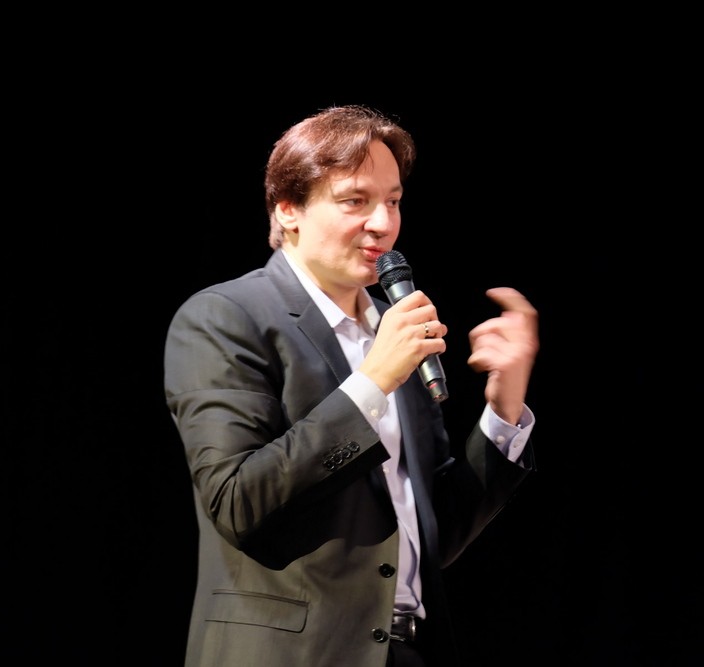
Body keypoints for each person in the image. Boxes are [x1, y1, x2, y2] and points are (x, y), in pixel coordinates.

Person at [163, 104, 540, 667]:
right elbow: (238, 501)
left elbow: (434, 530)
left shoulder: (393, 330)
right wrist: (373, 381)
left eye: (393, 201)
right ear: (288, 208)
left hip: (405, 649)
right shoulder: (226, 317)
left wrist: (503, 408)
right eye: (355, 201)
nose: (383, 224)